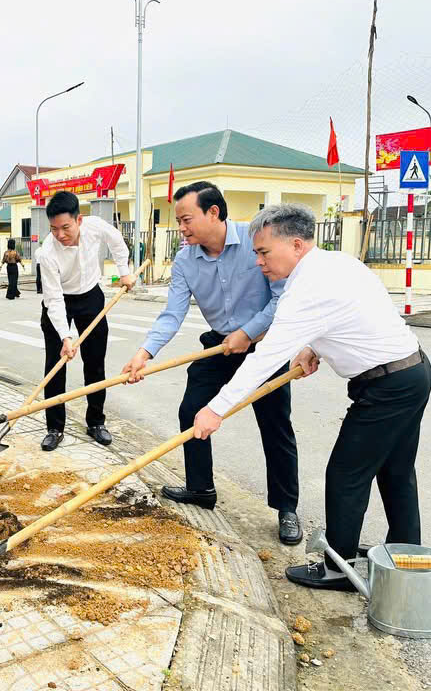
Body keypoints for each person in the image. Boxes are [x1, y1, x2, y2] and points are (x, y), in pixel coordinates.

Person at [192, 203, 431, 590]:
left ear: (297, 245)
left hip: (387, 387)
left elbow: (265, 357)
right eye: (256, 253)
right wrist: (316, 348)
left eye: (264, 252)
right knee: (395, 471)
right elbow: (353, 315)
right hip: (411, 371)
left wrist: (215, 409)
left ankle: (339, 567)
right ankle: (406, 558)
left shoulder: (304, 289)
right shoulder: (336, 263)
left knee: (346, 475)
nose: (258, 262)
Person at [122, 181, 301, 545]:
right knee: (192, 410)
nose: (181, 228)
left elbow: (281, 300)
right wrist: (144, 353)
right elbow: (172, 314)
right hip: (219, 346)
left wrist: (248, 333)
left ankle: (287, 508)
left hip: (263, 346)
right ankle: (200, 488)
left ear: (213, 213)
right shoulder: (186, 259)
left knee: (275, 424)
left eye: (186, 219)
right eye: (180, 221)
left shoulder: (256, 243)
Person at [38, 191, 134, 452]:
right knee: (56, 365)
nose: (60, 234)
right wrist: (65, 337)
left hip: (91, 295)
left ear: (79, 220)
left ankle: (96, 422)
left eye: (65, 227)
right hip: (60, 300)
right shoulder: (46, 252)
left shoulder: (95, 227)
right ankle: (54, 427)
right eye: (54, 228)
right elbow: (54, 300)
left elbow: (117, 242)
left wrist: (124, 273)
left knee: (94, 362)